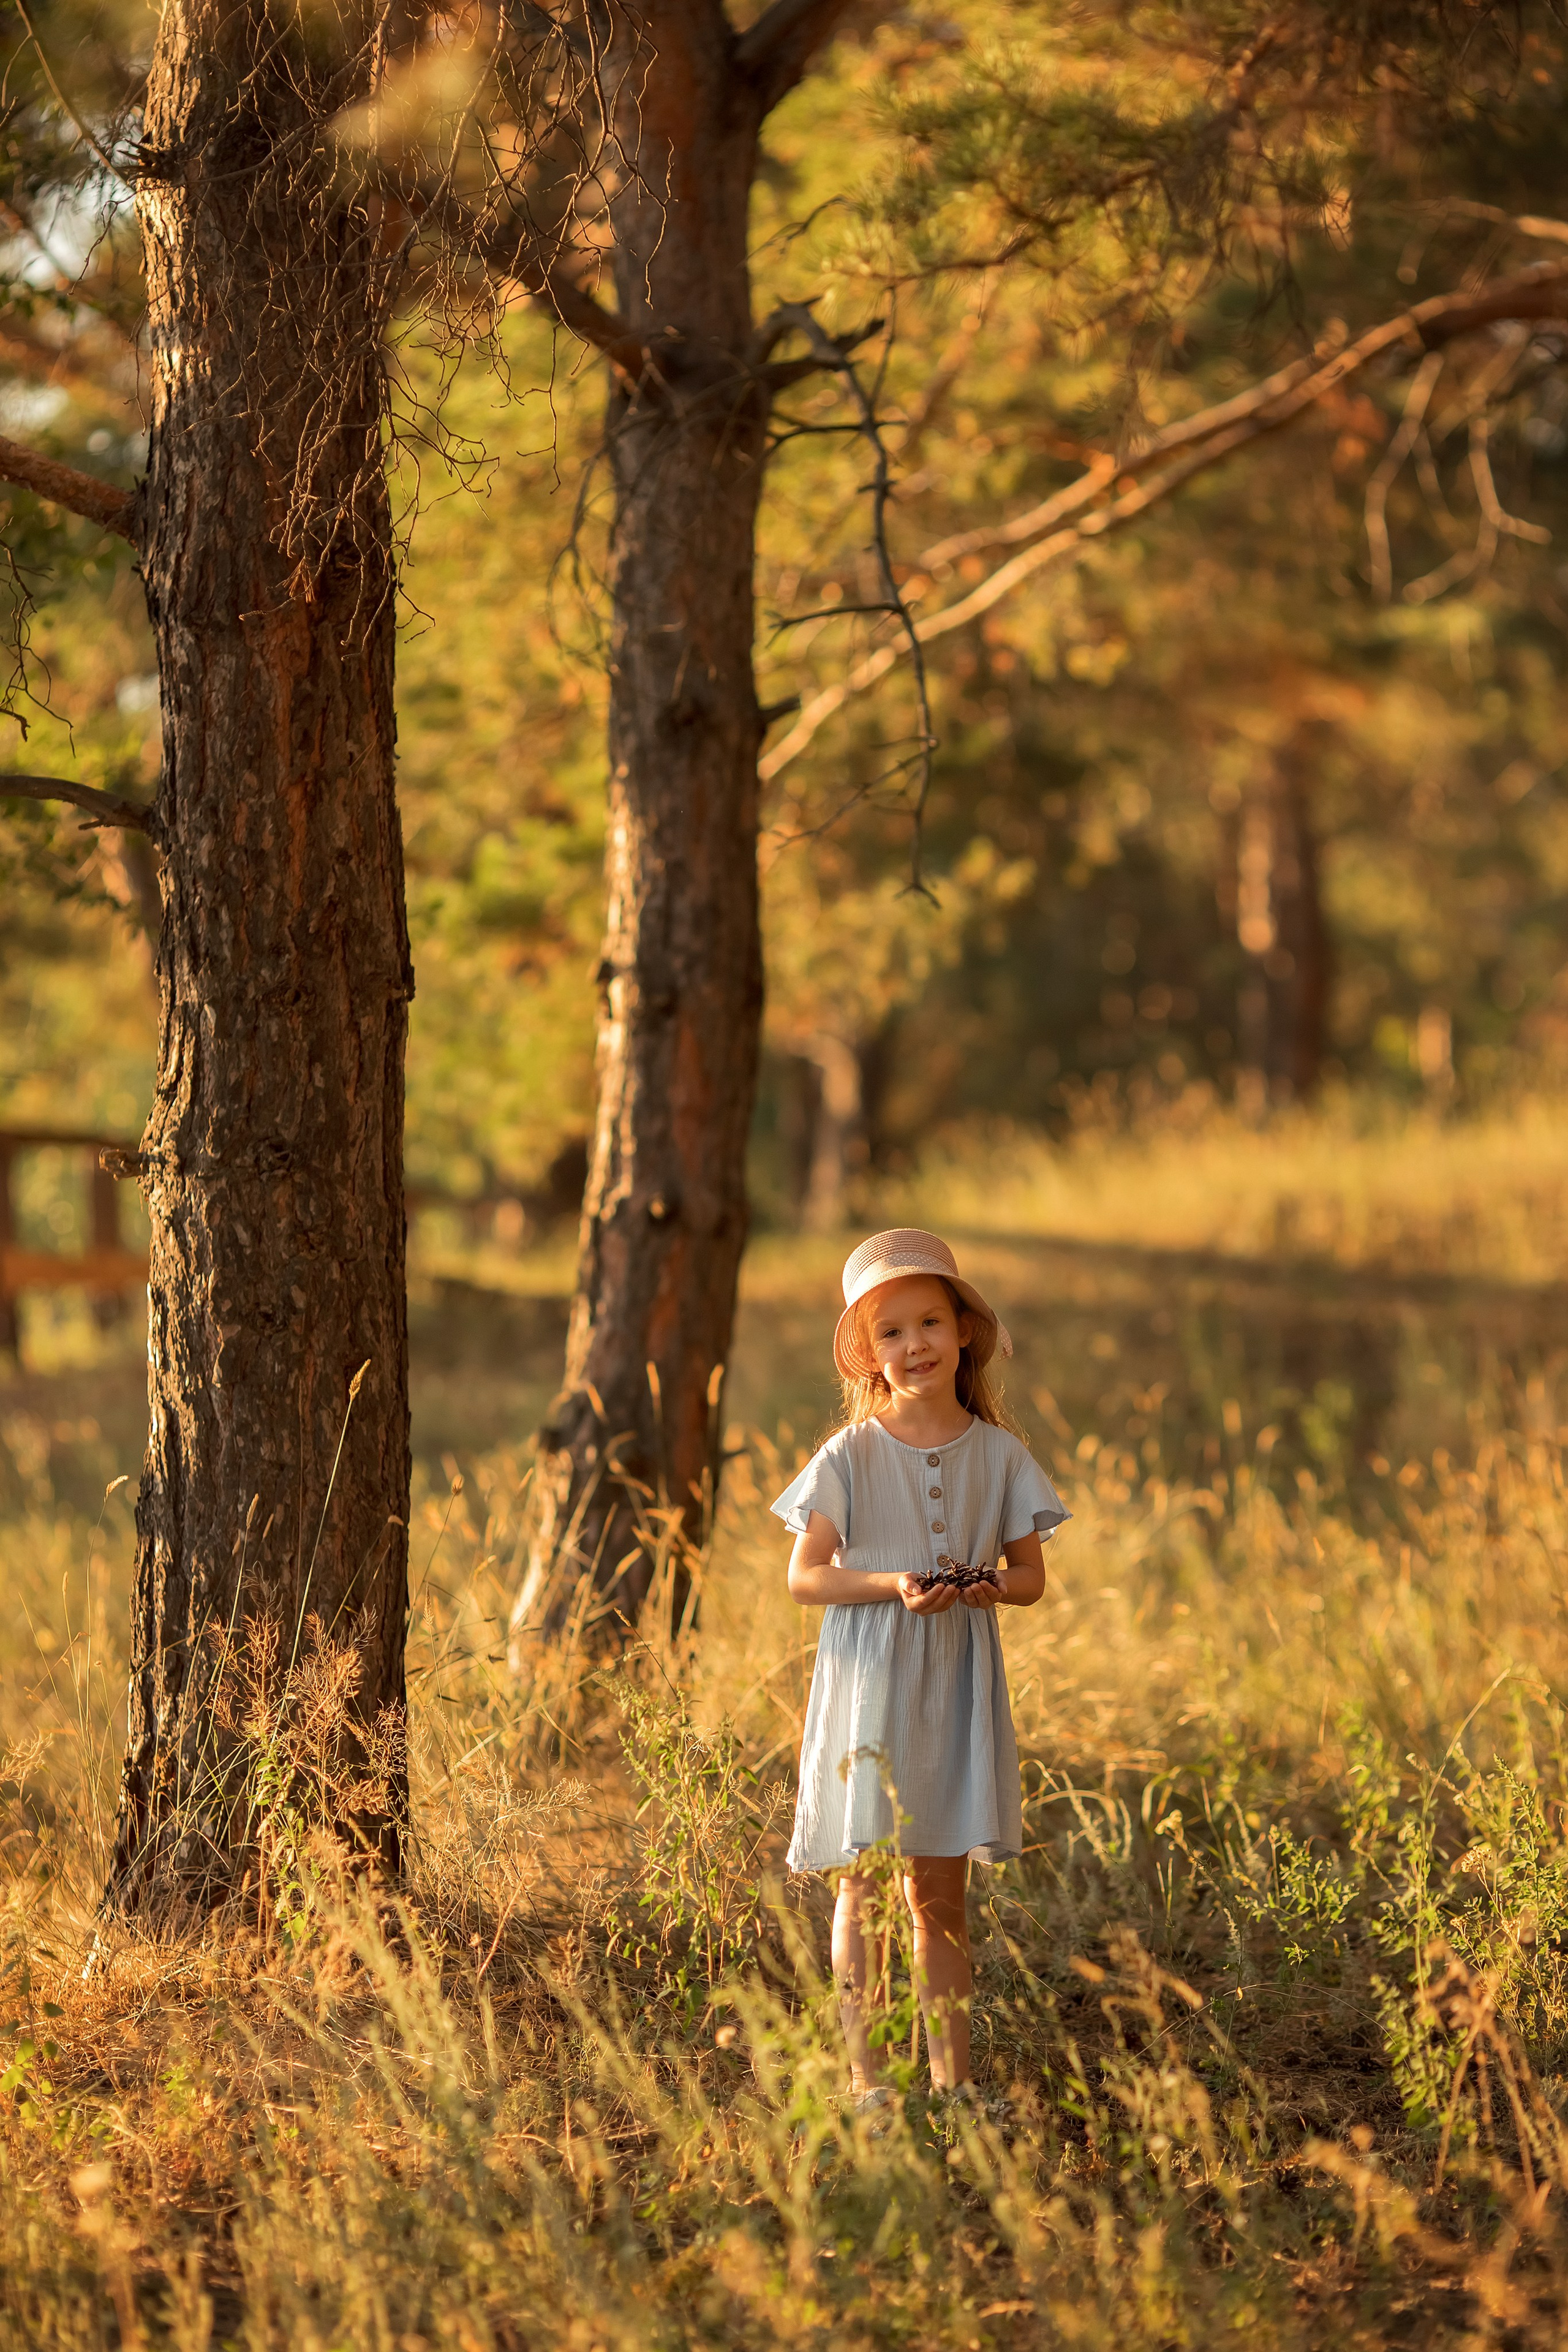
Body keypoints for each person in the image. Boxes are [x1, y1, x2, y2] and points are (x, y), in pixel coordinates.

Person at [772, 1227, 1069, 2107]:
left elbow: (1031, 1579)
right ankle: (868, 2087)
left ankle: (954, 2086)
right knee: (861, 1890)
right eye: (891, 1333)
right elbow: (805, 1576)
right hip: (871, 1686)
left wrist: (988, 1588)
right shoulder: (850, 1456)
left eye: (929, 1323)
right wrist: (890, 1583)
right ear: (868, 1354)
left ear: (965, 1330)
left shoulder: (1000, 1454)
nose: (915, 1347)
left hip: (954, 1684)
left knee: (939, 1897)